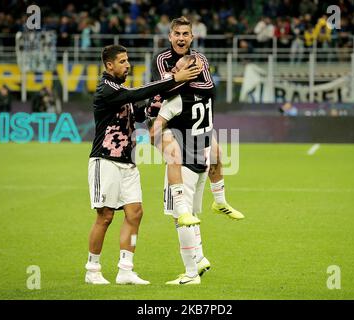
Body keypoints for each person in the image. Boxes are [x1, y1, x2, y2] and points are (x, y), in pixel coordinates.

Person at [85, 44, 201, 285]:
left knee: (135, 213)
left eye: (128, 60)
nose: (128, 65)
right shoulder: (106, 89)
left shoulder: (119, 89)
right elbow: (133, 95)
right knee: (105, 216)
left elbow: (136, 112)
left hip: (128, 162)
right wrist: (171, 79)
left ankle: (125, 269)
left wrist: (155, 105)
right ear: (109, 65)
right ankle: (92, 269)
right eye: (122, 61)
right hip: (105, 160)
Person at [149, 16, 245, 224]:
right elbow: (161, 90)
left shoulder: (200, 59)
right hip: (163, 118)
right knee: (174, 154)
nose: (181, 38)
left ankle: (219, 202)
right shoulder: (161, 59)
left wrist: (179, 80)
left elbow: (209, 88)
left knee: (217, 153)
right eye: (177, 34)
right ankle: (182, 209)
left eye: (185, 34)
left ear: (192, 37)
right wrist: (183, 79)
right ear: (170, 36)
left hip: (189, 119)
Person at [150, 55, 213, 285]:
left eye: (178, 68)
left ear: (190, 73)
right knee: (191, 215)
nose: (172, 72)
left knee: (180, 217)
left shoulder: (176, 98)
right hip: (200, 162)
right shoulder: (206, 95)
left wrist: (161, 145)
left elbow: (154, 130)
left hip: (182, 163)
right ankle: (199, 257)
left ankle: (190, 273)